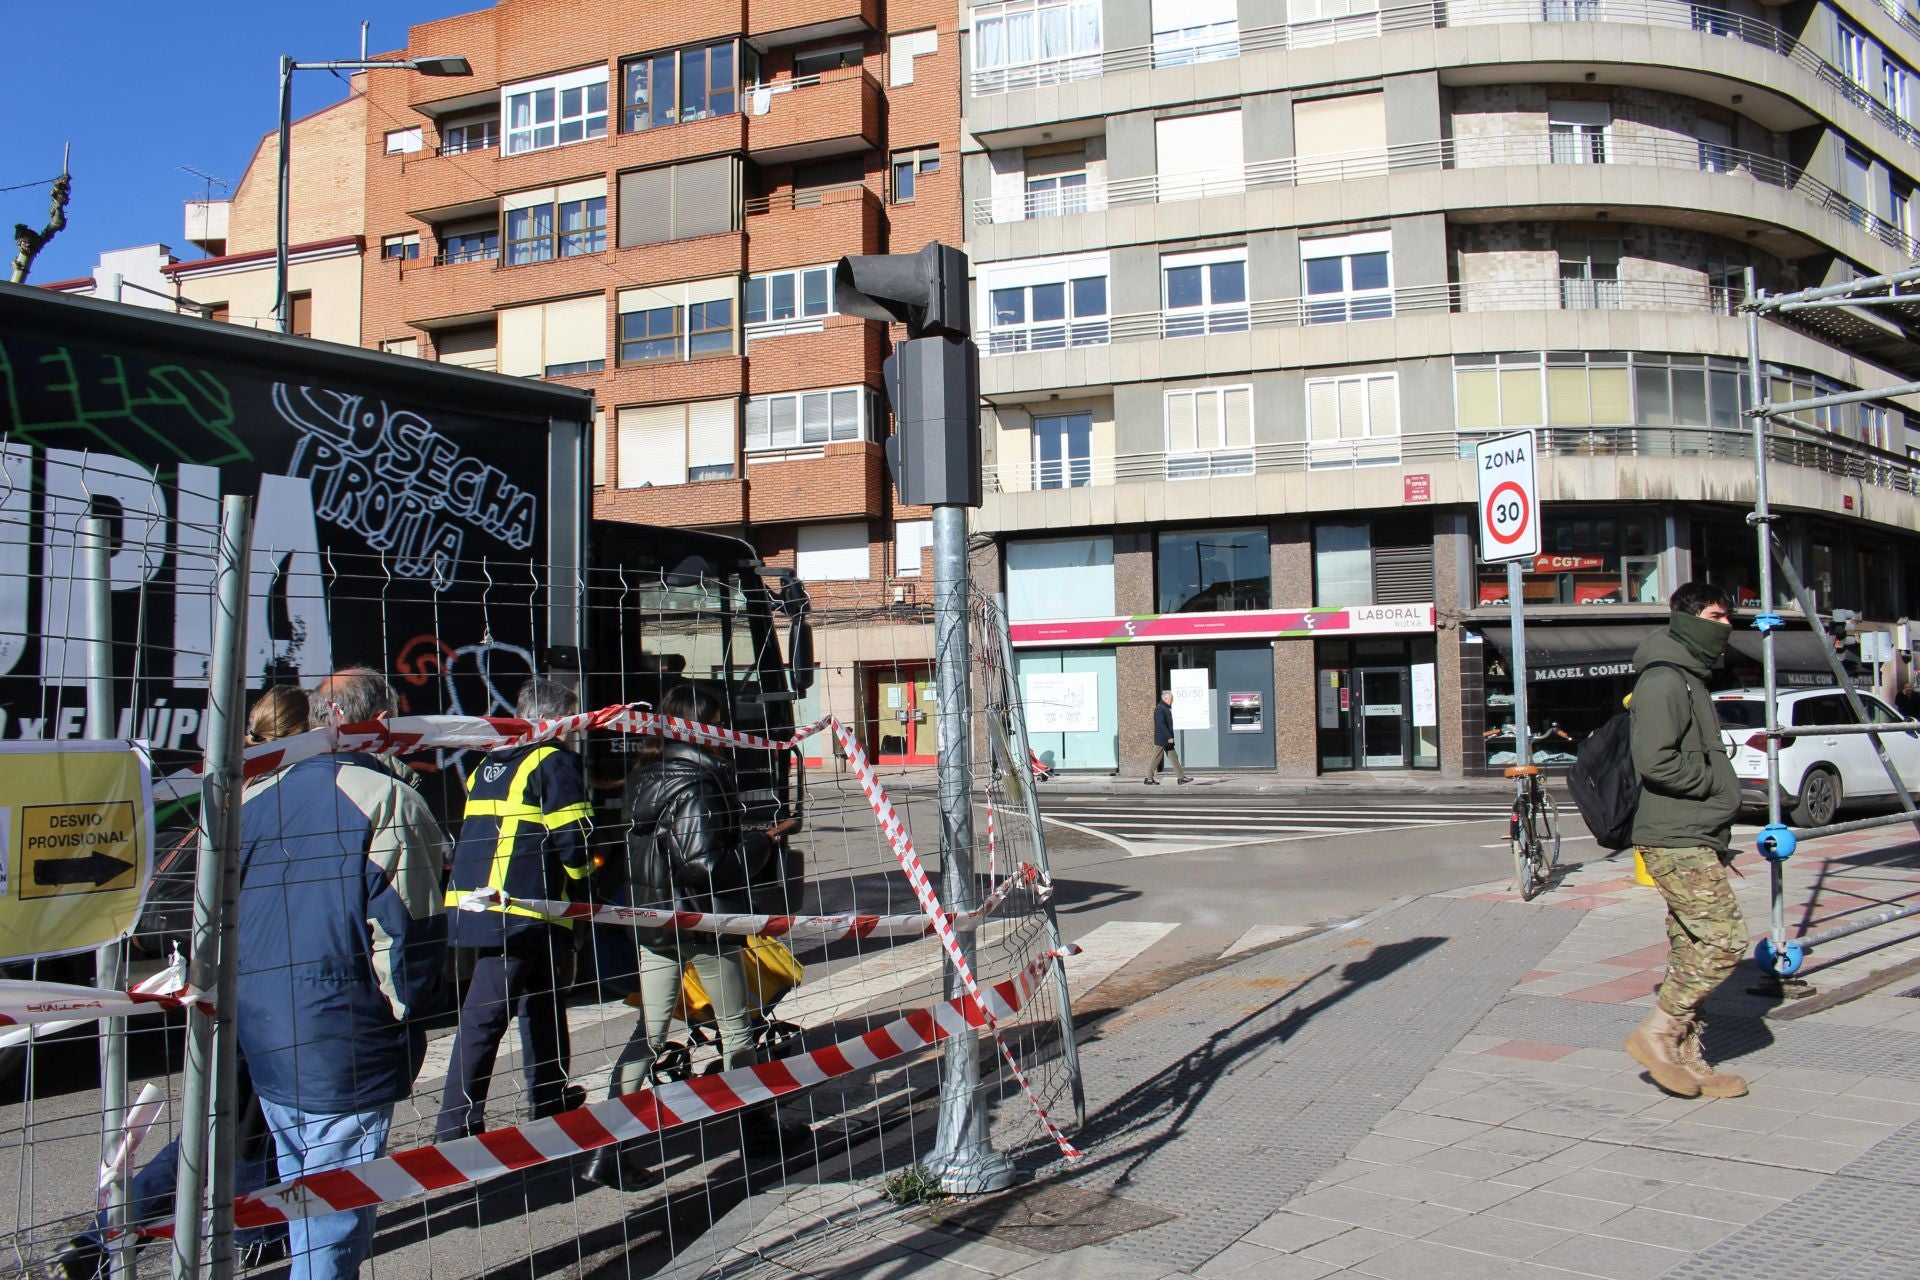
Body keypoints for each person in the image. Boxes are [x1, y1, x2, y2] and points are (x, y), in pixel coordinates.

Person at [235, 667, 449, 1278]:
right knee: (335, 1211)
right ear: (378, 723)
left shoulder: (254, 794)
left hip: (264, 1022)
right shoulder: (386, 800)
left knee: (302, 1182)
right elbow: (408, 934)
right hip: (343, 1031)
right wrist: (404, 1016)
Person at [583, 683, 800, 1189]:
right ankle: (757, 1132)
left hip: (656, 921)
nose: (728, 733)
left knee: (650, 1032)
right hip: (703, 924)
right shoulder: (698, 782)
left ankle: (607, 1149)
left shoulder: (645, 777)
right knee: (738, 1027)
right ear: (705, 727)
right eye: (722, 722)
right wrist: (761, 842)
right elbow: (704, 865)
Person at [435, 678, 594, 1141]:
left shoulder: (490, 762)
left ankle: (550, 1095)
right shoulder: (553, 761)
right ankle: (455, 1125)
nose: (577, 729)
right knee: (485, 1018)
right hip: (521, 907)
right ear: (557, 721)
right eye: (574, 718)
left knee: (543, 1003)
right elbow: (574, 841)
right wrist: (587, 888)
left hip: (491, 903)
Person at [1624, 583, 1748, 1100]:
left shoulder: (1691, 677)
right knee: (1726, 940)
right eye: (1716, 616)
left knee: (1691, 946)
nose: (1724, 626)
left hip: (1696, 831)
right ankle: (1658, 1031)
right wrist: (1716, 785)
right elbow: (1654, 760)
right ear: (1688, 617)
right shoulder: (1665, 680)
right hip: (1675, 835)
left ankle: (1689, 1059)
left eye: (1728, 617)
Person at [1143, 690, 1192, 785]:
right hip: (1163, 739)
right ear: (1165, 699)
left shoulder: (1164, 708)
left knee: (1174, 757)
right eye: (1171, 699)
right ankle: (1149, 778)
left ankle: (1181, 778)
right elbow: (1161, 724)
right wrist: (1169, 736)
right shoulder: (1160, 708)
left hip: (1166, 739)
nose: (1172, 701)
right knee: (1156, 758)